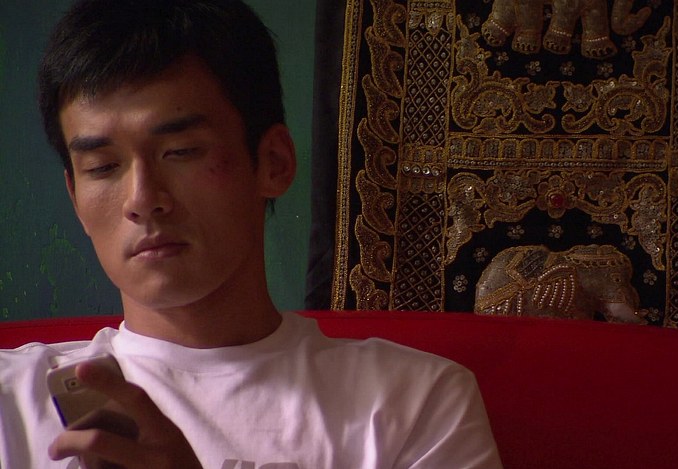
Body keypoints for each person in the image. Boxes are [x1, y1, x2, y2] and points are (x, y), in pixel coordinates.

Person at [0, 1, 502, 468]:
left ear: (273, 162)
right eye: (103, 167)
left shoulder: (414, 402)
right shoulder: (12, 401)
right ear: (75, 198)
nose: (143, 199)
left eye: (180, 152)